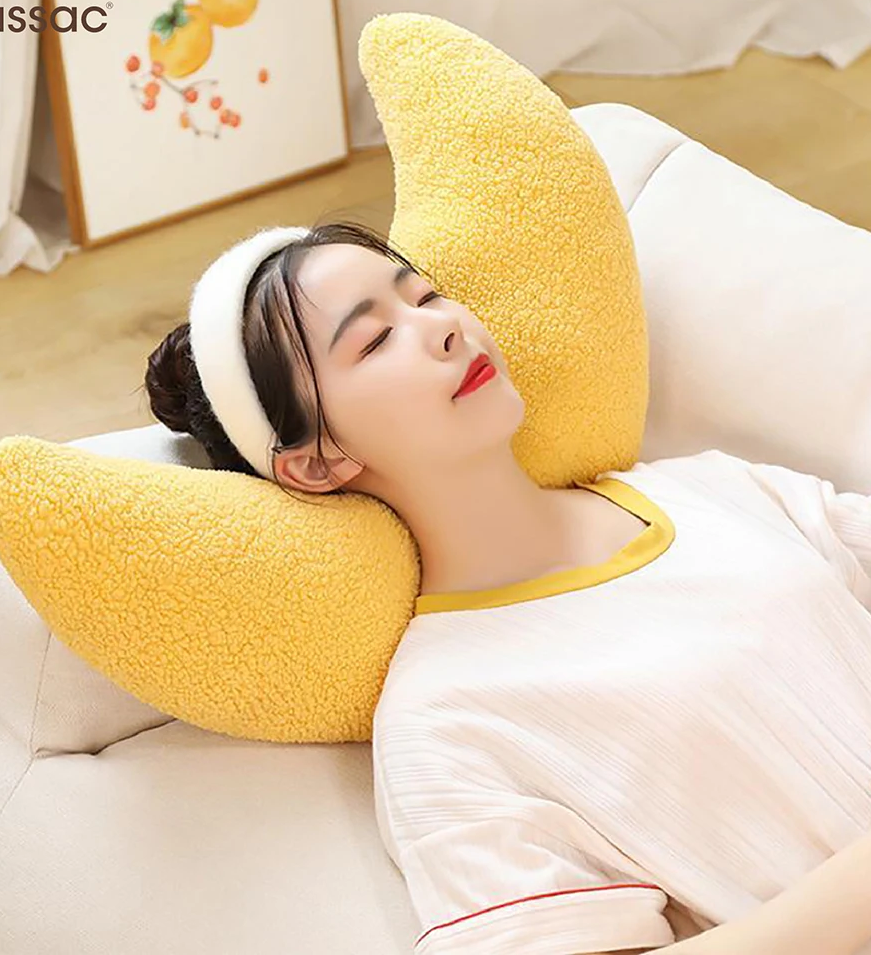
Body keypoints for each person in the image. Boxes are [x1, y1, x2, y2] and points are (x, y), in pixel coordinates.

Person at [144, 220, 871, 955]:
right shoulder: (445, 718)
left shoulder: (712, 489)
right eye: (375, 340)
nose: (444, 328)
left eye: (426, 296)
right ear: (316, 463)